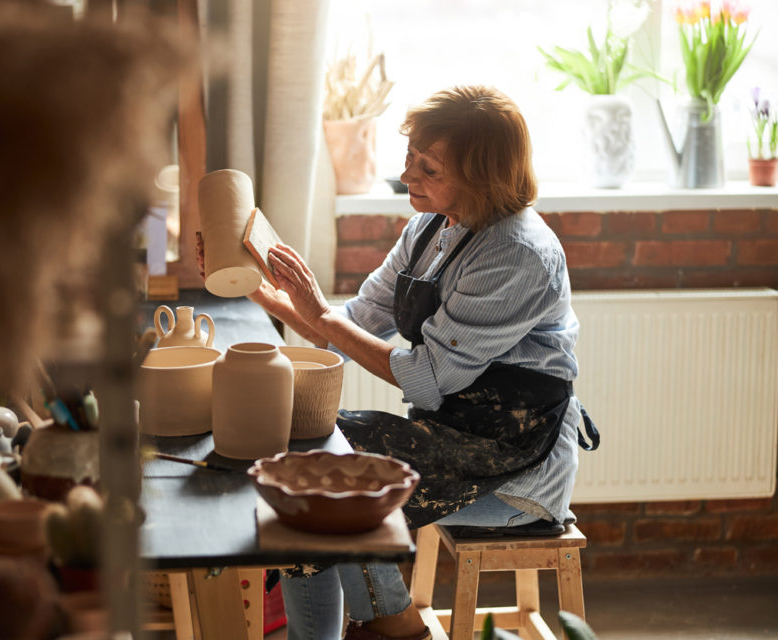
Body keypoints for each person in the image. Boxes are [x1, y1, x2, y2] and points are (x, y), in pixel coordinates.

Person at [202, 85, 598, 640]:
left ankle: (393, 625)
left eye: (428, 167)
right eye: (410, 157)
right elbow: (357, 319)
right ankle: (353, 628)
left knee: (327, 484)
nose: (409, 175)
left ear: (482, 178)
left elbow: (428, 377)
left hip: (512, 468)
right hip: (446, 440)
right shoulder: (430, 227)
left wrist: (318, 311)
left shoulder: (518, 254)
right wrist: (263, 290)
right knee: (304, 452)